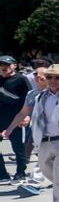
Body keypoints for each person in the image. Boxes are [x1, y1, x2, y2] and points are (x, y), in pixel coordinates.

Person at [2, 64, 59, 202]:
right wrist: (9, 129)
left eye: (57, 77)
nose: (53, 80)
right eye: (49, 77)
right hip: (45, 139)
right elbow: (22, 113)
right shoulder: (36, 95)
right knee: (47, 171)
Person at [0, 55, 32, 184]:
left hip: (16, 118)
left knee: (18, 147)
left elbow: (30, 99)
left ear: (14, 65)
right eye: (1, 65)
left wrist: (27, 116)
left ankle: (21, 172)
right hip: (1, 118)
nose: (4, 67)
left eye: (7, 65)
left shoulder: (21, 80)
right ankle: (2, 174)